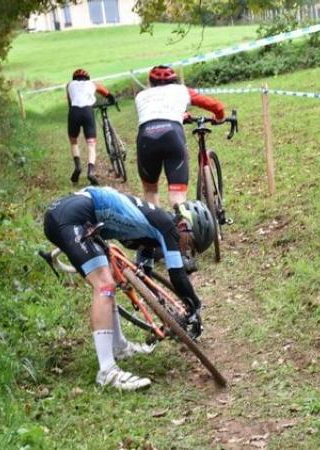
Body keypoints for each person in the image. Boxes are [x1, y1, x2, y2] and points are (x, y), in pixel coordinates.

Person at [42, 186, 214, 390]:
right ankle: (106, 371)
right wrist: (195, 307)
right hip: (71, 218)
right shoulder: (168, 227)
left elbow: (145, 260)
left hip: (76, 214)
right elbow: (177, 275)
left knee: (109, 280)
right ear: (184, 225)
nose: (187, 250)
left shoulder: (155, 225)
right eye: (191, 243)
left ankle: (119, 346)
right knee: (104, 285)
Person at [134, 65, 225, 208]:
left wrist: (182, 116)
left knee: (150, 190)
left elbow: (157, 113)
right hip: (172, 135)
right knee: (177, 195)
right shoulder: (182, 91)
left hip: (146, 138)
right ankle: (183, 224)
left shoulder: (140, 96)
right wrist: (219, 117)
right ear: (174, 80)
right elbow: (216, 106)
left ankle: (156, 226)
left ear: (150, 82)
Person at [66, 68, 116, 185]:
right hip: (87, 112)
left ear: (74, 79)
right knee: (91, 144)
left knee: (73, 141)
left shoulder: (69, 85)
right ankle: (91, 171)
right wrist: (112, 99)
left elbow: (70, 101)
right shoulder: (92, 84)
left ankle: (78, 166)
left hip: (74, 112)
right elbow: (105, 92)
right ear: (87, 78)